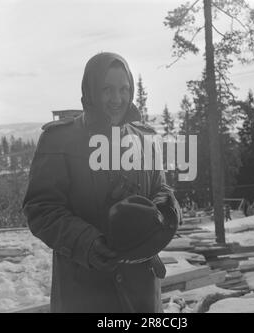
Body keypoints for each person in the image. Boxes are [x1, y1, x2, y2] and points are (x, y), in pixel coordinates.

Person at [22, 52, 181, 313]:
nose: (117, 99)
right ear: (91, 90)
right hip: (83, 290)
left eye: (124, 89)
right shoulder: (59, 140)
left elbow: (161, 188)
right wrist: (88, 243)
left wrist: (167, 207)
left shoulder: (145, 141)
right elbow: (41, 208)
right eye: (107, 89)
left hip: (140, 289)